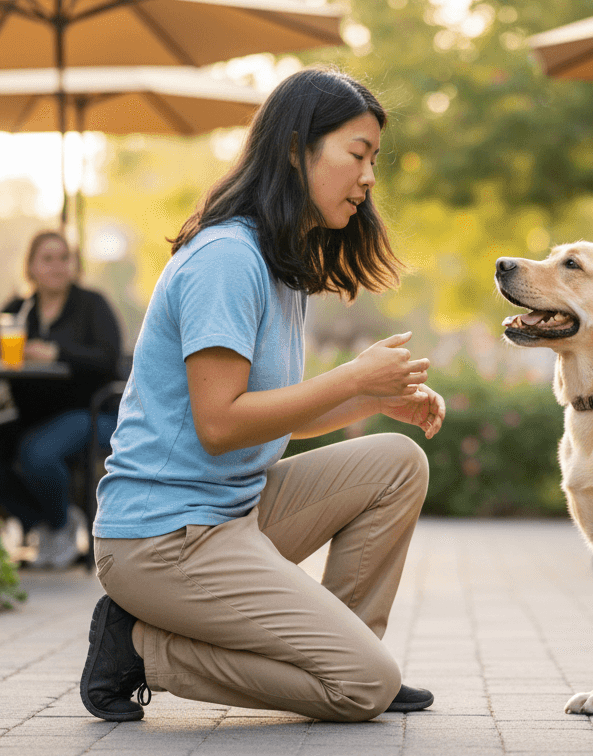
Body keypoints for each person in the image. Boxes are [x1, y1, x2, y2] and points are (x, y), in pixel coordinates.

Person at [82, 67, 445, 726]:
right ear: (294, 150)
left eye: (374, 161)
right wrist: (354, 379)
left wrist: (369, 403)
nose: (369, 178)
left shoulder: (281, 265)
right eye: (356, 155)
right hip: (163, 540)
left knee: (397, 461)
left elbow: (263, 419)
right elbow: (220, 424)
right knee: (362, 688)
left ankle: (350, 654)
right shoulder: (227, 259)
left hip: (231, 512)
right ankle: (140, 648)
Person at [0, 231, 122, 569]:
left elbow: (109, 359)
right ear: (31, 267)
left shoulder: (92, 304)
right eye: (47, 259)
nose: (57, 266)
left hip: (90, 413)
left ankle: (60, 524)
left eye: (63, 258)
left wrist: (55, 352)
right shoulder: (18, 309)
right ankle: (47, 523)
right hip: (33, 415)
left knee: (37, 451)